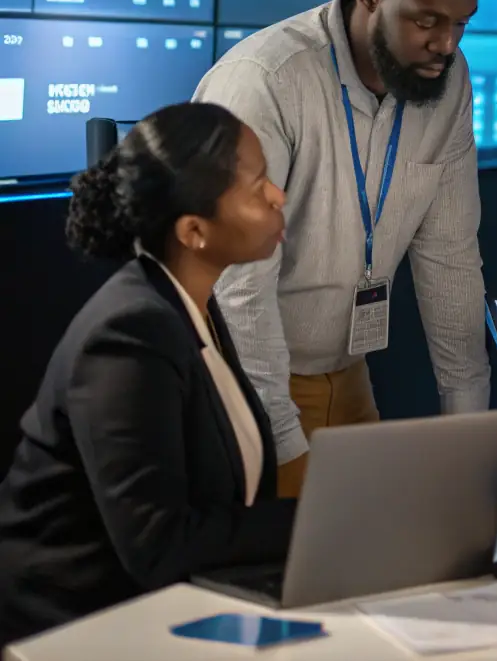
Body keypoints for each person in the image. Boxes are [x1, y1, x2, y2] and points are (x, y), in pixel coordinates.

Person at [194, 0, 491, 497]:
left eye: (462, 23)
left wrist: (470, 434)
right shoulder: (269, 79)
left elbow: (451, 259)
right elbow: (238, 281)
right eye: (427, 20)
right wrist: (280, 435)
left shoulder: (449, 81)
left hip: (348, 374)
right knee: (277, 577)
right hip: (244, 383)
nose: (446, 44)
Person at [0, 103, 295, 649]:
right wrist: (321, 521)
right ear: (194, 231)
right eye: (258, 188)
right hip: (69, 628)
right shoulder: (130, 332)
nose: (278, 196)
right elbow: (160, 541)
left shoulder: (190, 305)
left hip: (159, 613)